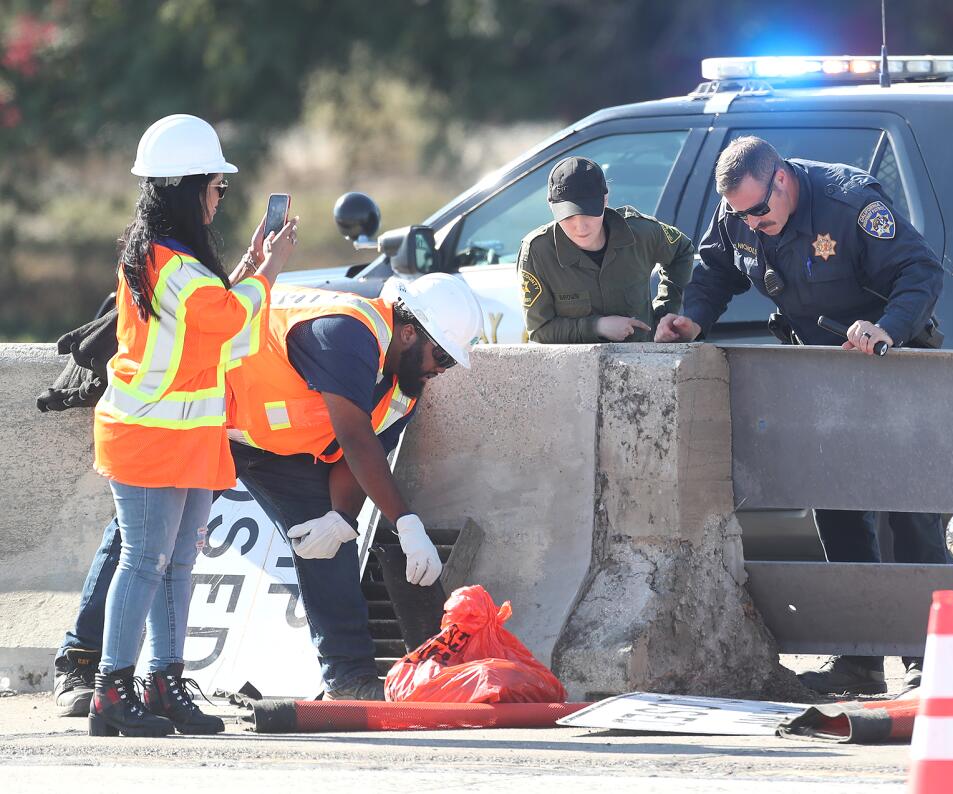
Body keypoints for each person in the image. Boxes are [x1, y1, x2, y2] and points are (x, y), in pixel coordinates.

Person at [54, 274, 483, 712]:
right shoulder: (347, 331)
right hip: (207, 420)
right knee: (142, 536)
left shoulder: (403, 390)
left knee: (327, 542)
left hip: (274, 448)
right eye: (442, 356)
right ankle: (80, 662)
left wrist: (340, 517)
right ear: (409, 332)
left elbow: (353, 460)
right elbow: (356, 438)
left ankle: (349, 677)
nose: (441, 370)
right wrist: (406, 523)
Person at [655, 136, 947, 697]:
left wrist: (888, 324)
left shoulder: (849, 204)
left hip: (889, 370)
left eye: (758, 210)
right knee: (837, 510)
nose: (751, 223)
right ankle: (859, 660)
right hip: (823, 377)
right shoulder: (741, 211)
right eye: (740, 214)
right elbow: (715, 271)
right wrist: (693, 318)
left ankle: (926, 661)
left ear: (782, 180)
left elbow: (920, 271)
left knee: (910, 514)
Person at [87, 114, 297, 737]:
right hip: (151, 437)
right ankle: (112, 690)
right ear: (188, 186)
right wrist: (272, 269)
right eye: (216, 186)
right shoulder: (172, 263)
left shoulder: (169, 258)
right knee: (147, 561)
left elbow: (209, 321)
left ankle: (162, 682)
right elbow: (229, 322)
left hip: (179, 437)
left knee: (174, 563)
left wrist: (250, 266)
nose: (218, 197)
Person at [518, 156, 694, 343]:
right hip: (574, 369)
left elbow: (682, 250)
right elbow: (539, 331)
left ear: (605, 200)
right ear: (550, 205)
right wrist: (597, 326)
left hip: (643, 364)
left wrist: (664, 314)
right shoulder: (537, 252)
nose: (580, 227)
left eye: (588, 213)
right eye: (568, 217)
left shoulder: (641, 233)